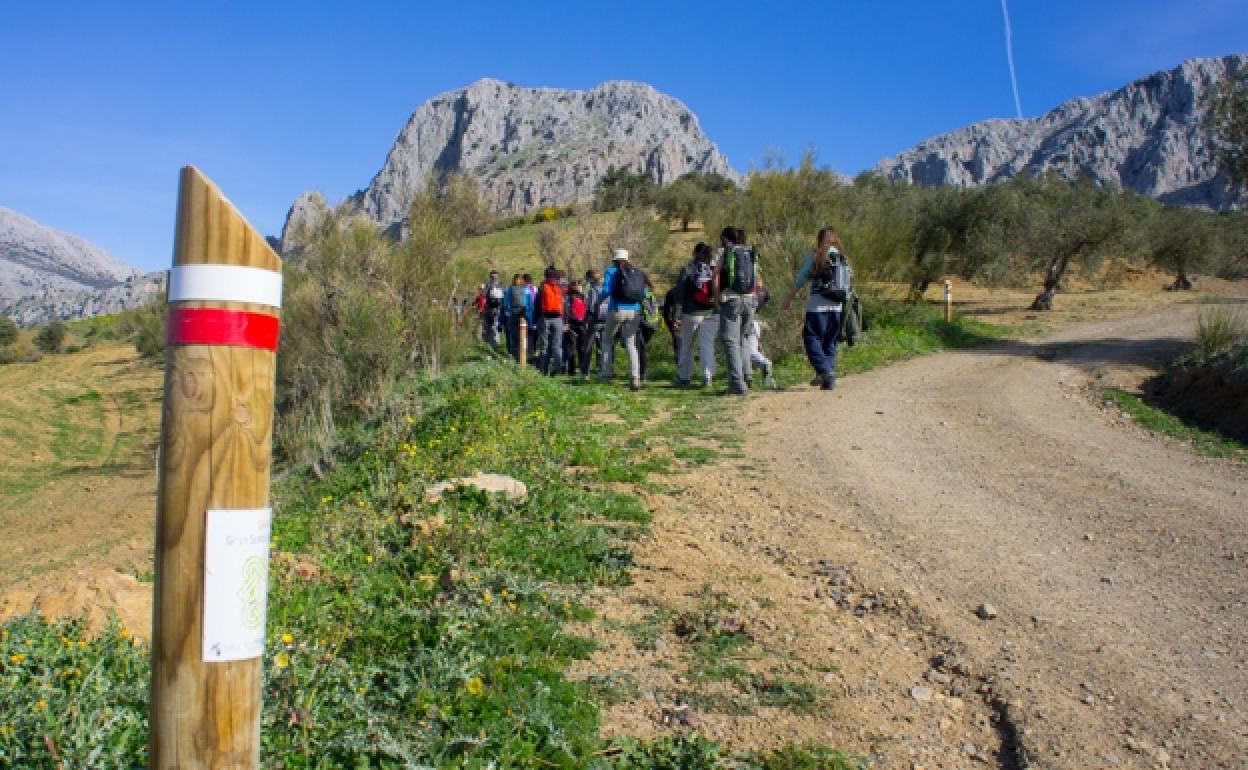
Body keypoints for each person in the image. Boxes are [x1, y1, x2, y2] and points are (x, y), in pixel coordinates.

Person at [780, 226, 851, 390]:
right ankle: (828, 380)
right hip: (837, 307)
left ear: (820, 239)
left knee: (811, 337)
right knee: (829, 342)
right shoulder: (843, 258)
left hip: (818, 305)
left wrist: (789, 298)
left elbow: (801, 278)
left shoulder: (817, 256)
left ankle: (825, 371)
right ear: (835, 239)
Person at [712, 227, 761, 395]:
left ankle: (736, 383)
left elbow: (716, 277)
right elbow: (759, 282)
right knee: (744, 338)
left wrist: (717, 298)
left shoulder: (723, 252)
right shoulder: (750, 252)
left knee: (730, 341)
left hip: (731, 300)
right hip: (749, 300)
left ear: (724, 238)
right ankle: (747, 376)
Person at [598, 249, 645, 390]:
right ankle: (635, 377)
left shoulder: (611, 271)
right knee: (631, 343)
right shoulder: (636, 272)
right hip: (634, 311)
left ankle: (606, 373)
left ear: (614, 260)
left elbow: (606, 290)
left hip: (617, 309)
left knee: (607, 339)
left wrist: (598, 301)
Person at [674, 242, 719, 388]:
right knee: (707, 345)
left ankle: (684, 377)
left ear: (694, 254)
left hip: (691, 313)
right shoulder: (714, 269)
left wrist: (677, 316)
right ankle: (707, 376)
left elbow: (680, 295)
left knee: (686, 345)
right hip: (712, 312)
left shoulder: (688, 269)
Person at [535, 266, 566, 376]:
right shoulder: (560, 287)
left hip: (545, 319)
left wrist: (536, 319)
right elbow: (564, 304)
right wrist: (564, 320)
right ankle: (559, 367)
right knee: (557, 345)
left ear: (546, 275)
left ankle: (544, 371)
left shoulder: (543, 286)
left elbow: (537, 303)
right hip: (558, 319)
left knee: (544, 346)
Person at [501, 273, 533, 363]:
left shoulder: (509, 290)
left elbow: (505, 304)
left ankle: (515, 358)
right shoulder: (526, 290)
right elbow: (530, 304)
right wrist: (529, 318)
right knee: (523, 337)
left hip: (513, 315)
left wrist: (509, 313)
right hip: (524, 315)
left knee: (514, 337)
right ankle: (524, 357)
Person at [581, 269, 605, 378]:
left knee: (588, 346)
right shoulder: (607, 290)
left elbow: (590, 307)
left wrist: (585, 321)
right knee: (603, 346)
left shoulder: (592, 290)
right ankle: (602, 370)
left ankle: (585, 372)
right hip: (606, 320)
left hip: (594, 321)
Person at [564, 280, 591, 375]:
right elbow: (588, 310)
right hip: (583, 325)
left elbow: (566, 310)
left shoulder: (568, 297)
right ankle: (584, 370)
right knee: (582, 348)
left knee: (571, 348)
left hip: (571, 325)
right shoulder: (584, 297)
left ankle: (571, 371)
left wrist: (565, 323)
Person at [637, 276, 661, 383]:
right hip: (653, 325)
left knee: (640, 349)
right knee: (642, 348)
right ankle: (642, 373)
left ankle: (641, 373)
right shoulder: (652, 293)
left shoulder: (639, 293)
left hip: (643, 323)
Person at [743, 318, 777, 388]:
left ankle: (765, 366)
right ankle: (747, 379)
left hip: (748, 325)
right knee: (748, 353)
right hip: (751, 324)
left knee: (749, 354)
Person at [482, 271, 504, 346]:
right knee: (488, 327)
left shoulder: (500, 285)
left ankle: (495, 345)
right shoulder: (488, 285)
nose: (493, 278)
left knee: (494, 327)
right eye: (492, 277)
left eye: (494, 277)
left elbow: (503, 296)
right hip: (489, 308)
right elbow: (484, 295)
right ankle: (489, 345)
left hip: (496, 309)